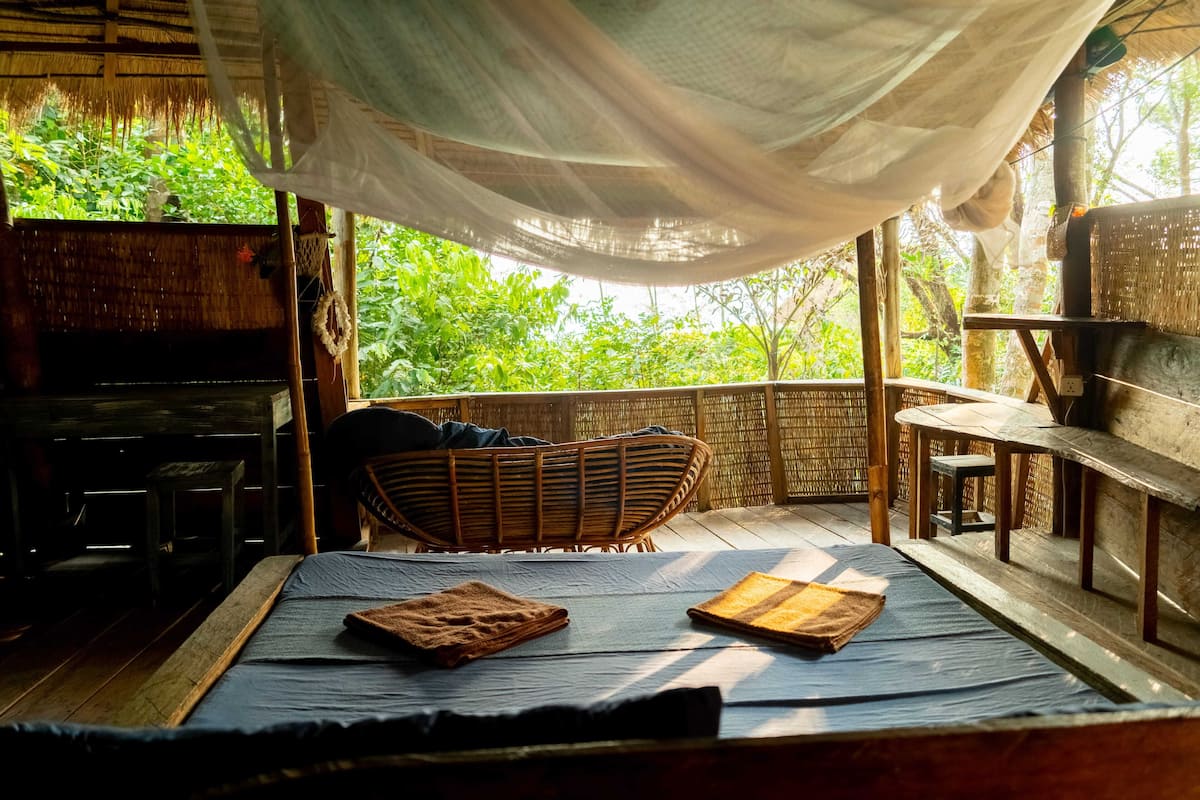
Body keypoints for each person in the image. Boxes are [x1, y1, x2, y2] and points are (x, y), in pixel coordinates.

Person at [324, 407, 550, 480]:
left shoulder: (401, 475)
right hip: (503, 463)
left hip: (486, 457)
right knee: (534, 450)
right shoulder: (445, 455)